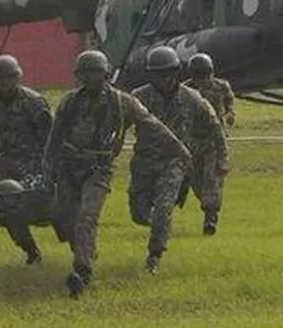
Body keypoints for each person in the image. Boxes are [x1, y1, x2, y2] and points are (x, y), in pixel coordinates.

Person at [43, 49, 193, 299]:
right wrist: (48, 166)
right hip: (69, 166)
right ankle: (85, 250)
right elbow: (55, 137)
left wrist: (181, 150)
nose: (90, 79)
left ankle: (83, 270)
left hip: (98, 168)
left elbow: (153, 126)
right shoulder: (69, 102)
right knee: (62, 216)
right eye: (85, 74)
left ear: (106, 75)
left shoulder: (123, 103)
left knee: (86, 217)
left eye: (96, 73)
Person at [130, 46, 227, 273]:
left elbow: (216, 127)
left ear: (176, 73)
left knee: (164, 207)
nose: (164, 79)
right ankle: (155, 223)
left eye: (169, 74)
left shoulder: (192, 98)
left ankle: (154, 257)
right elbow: (116, 122)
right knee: (139, 213)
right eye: (158, 74)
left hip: (174, 162)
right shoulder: (138, 97)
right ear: (151, 75)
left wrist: (223, 158)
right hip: (144, 161)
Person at [0, 54, 53, 265]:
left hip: (36, 167)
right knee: (7, 211)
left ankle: (78, 247)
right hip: (8, 167)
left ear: (18, 77)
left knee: (48, 211)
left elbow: (51, 139)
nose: (4, 82)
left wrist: (49, 170)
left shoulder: (34, 102)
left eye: (9, 77)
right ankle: (31, 252)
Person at [183, 52, 234, 235]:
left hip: (214, 139)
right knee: (196, 182)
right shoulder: (186, 90)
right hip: (193, 140)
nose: (203, 80)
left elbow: (229, 104)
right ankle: (206, 203)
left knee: (212, 178)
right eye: (199, 76)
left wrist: (229, 115)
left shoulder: (221, 87)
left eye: (205, 75)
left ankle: (210, 218)